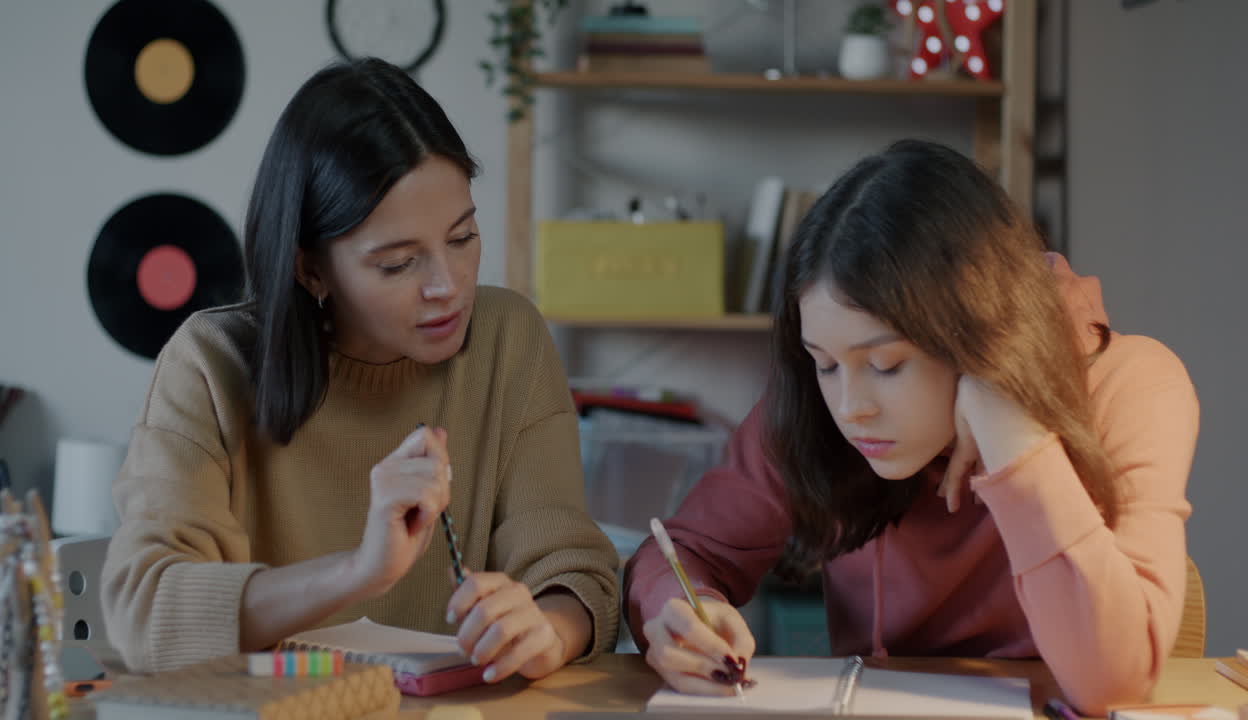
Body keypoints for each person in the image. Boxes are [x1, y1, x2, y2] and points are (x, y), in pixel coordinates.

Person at [624, 140, 1198, 715]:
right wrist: (684, 609)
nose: (851, 407)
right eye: (824, 362)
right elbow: (680, 551)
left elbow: (1114, 685)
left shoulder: (1132, 384)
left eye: (886, 365)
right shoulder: (816, 404)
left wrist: (1011, 432)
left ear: (977, 331)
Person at [101, 58, 619, 681]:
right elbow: (144, 615)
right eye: (399, 264)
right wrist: (359, 571)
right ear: (310, 270)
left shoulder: (507, 338)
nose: (447, 287)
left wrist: (551, 627)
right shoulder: (210, 364)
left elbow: (576, 573)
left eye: (462, 237)